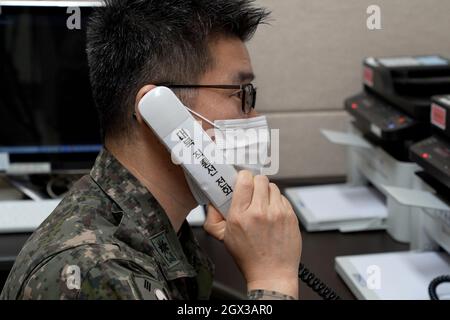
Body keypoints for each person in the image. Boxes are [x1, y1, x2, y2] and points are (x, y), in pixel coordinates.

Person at [0, 0, 302, 300]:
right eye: (241, 94)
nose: (252, 116)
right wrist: (273, 278)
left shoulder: (153, 226)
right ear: (158, 109)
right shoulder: (99, 273)